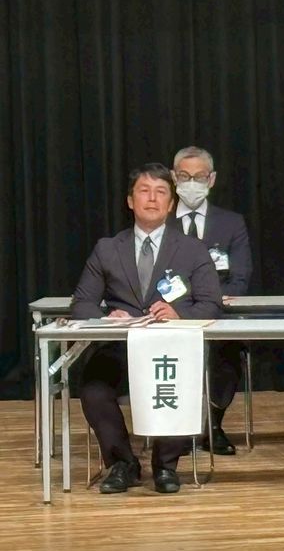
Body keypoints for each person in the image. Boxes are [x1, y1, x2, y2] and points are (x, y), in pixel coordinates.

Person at [72, 163, 223, 494]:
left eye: (161, 192)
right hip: (120, 348)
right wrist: (106, 317)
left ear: (171, 204)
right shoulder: (107, 249)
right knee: (94, 389)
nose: (152, 199)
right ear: (130, 201)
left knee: (183, 383)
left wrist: (178, 313)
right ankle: (123, 464)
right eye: (144, 191)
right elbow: (81, 303)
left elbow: (212, 304)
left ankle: (166, 466)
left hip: (171, 348)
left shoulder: (192, 249)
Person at [171, 145, 253, 455]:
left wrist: (210, 305)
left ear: (212, 179)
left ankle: (213, 425)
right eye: (184, 176)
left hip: (219, 314)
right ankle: (177, 429)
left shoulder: (231, 223)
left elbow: (240, 277)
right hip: (171, 315)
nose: (192, 183)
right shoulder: (160, 221)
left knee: (227, 351)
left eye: (200, 176)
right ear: (173, 178)